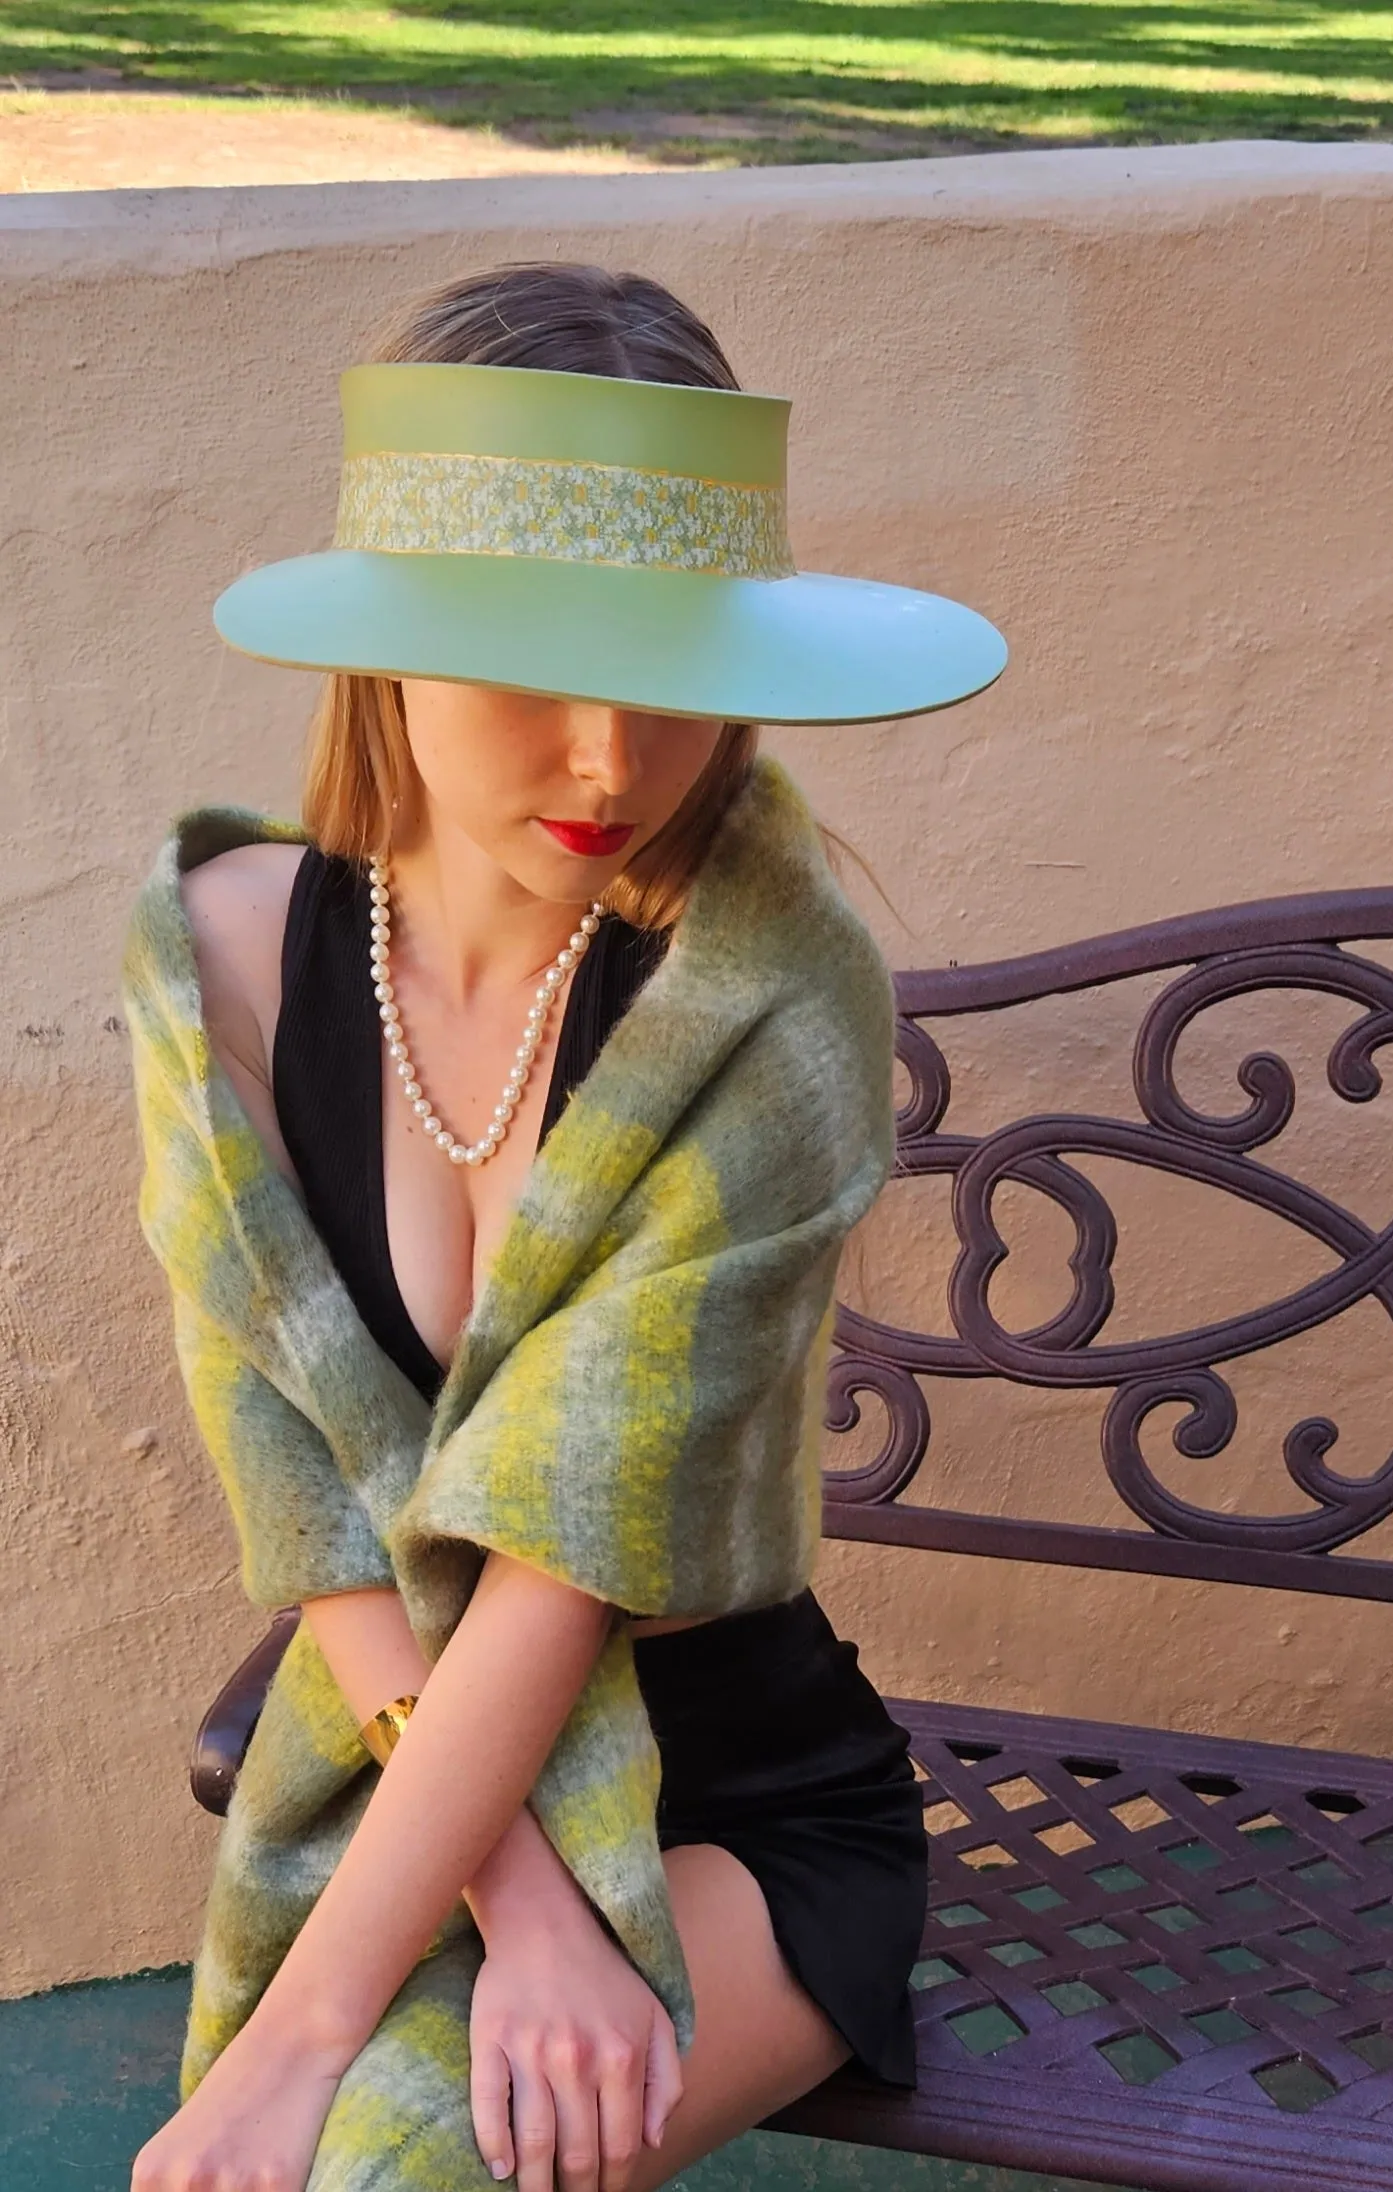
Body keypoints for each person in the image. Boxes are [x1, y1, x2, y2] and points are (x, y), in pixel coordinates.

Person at [121, 261, 1007, 2192]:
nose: (610, 758)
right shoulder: (219, 964)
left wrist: (316, 2036)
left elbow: (564, 1555)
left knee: (384, 2171)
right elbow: (313, 1506)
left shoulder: (769, 994)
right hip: (400, 1766)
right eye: (532, 661)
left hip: (743, 1804)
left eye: (674, 667)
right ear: (388, 649)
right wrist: (516, 1916)